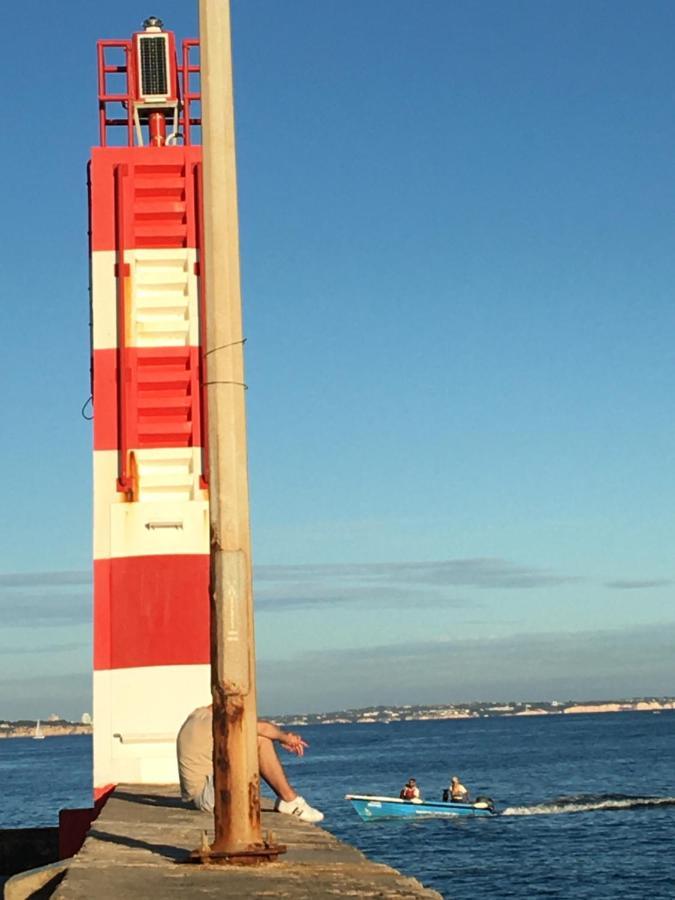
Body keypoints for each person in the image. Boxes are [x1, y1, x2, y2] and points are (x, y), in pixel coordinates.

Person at [176, 705, 324, 823]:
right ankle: (290, 800)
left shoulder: (198, 715)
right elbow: (263, 728)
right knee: (259, 740)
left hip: (197, 794)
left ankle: (288, 800)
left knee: (249, 737)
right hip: (206, 798)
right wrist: (285, 738)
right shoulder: (219, 722)